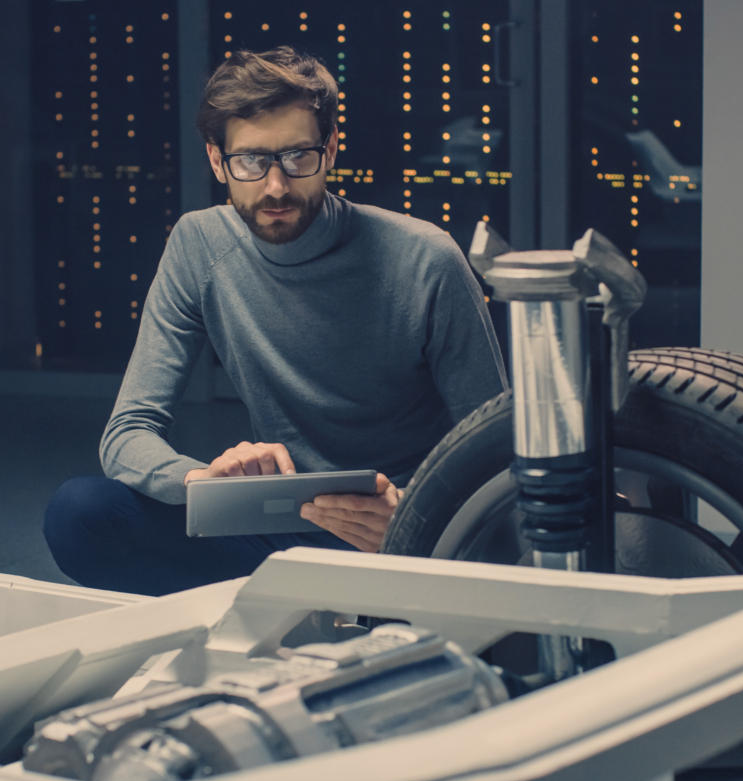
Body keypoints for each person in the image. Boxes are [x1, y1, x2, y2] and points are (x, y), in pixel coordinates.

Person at [44, 47, 508, 595]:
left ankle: (330, 609)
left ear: (330, 150)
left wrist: (418, 521)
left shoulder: (426, 259)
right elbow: (126, 435)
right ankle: (293, 613)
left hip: (398, 535)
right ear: (218, 162)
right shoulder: (199, 245)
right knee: (79, 515)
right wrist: (201, 482)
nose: (276, 187)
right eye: (251, 161)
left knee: (501, 549)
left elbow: (497, 454)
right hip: (274, 528)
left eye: (297, 157)